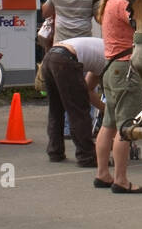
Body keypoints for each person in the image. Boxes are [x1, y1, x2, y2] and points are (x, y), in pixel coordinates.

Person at [95, 0, 142, 193]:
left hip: (110, 67)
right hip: (126, 67)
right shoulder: (122, 5)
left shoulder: (108, 4)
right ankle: (121, 179)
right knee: (125, 127)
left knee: (109, 124)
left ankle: (102, 174)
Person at [41, 35, 105, 166]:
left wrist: (104, 108)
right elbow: (88, 92)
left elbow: (88, 89)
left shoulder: (103, 50)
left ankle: (55, 151)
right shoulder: (110, 59)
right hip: (66, 60)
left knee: (56, 109)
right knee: (79, 111)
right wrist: (107, 110)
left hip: (50, 57)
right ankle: (86, 156)